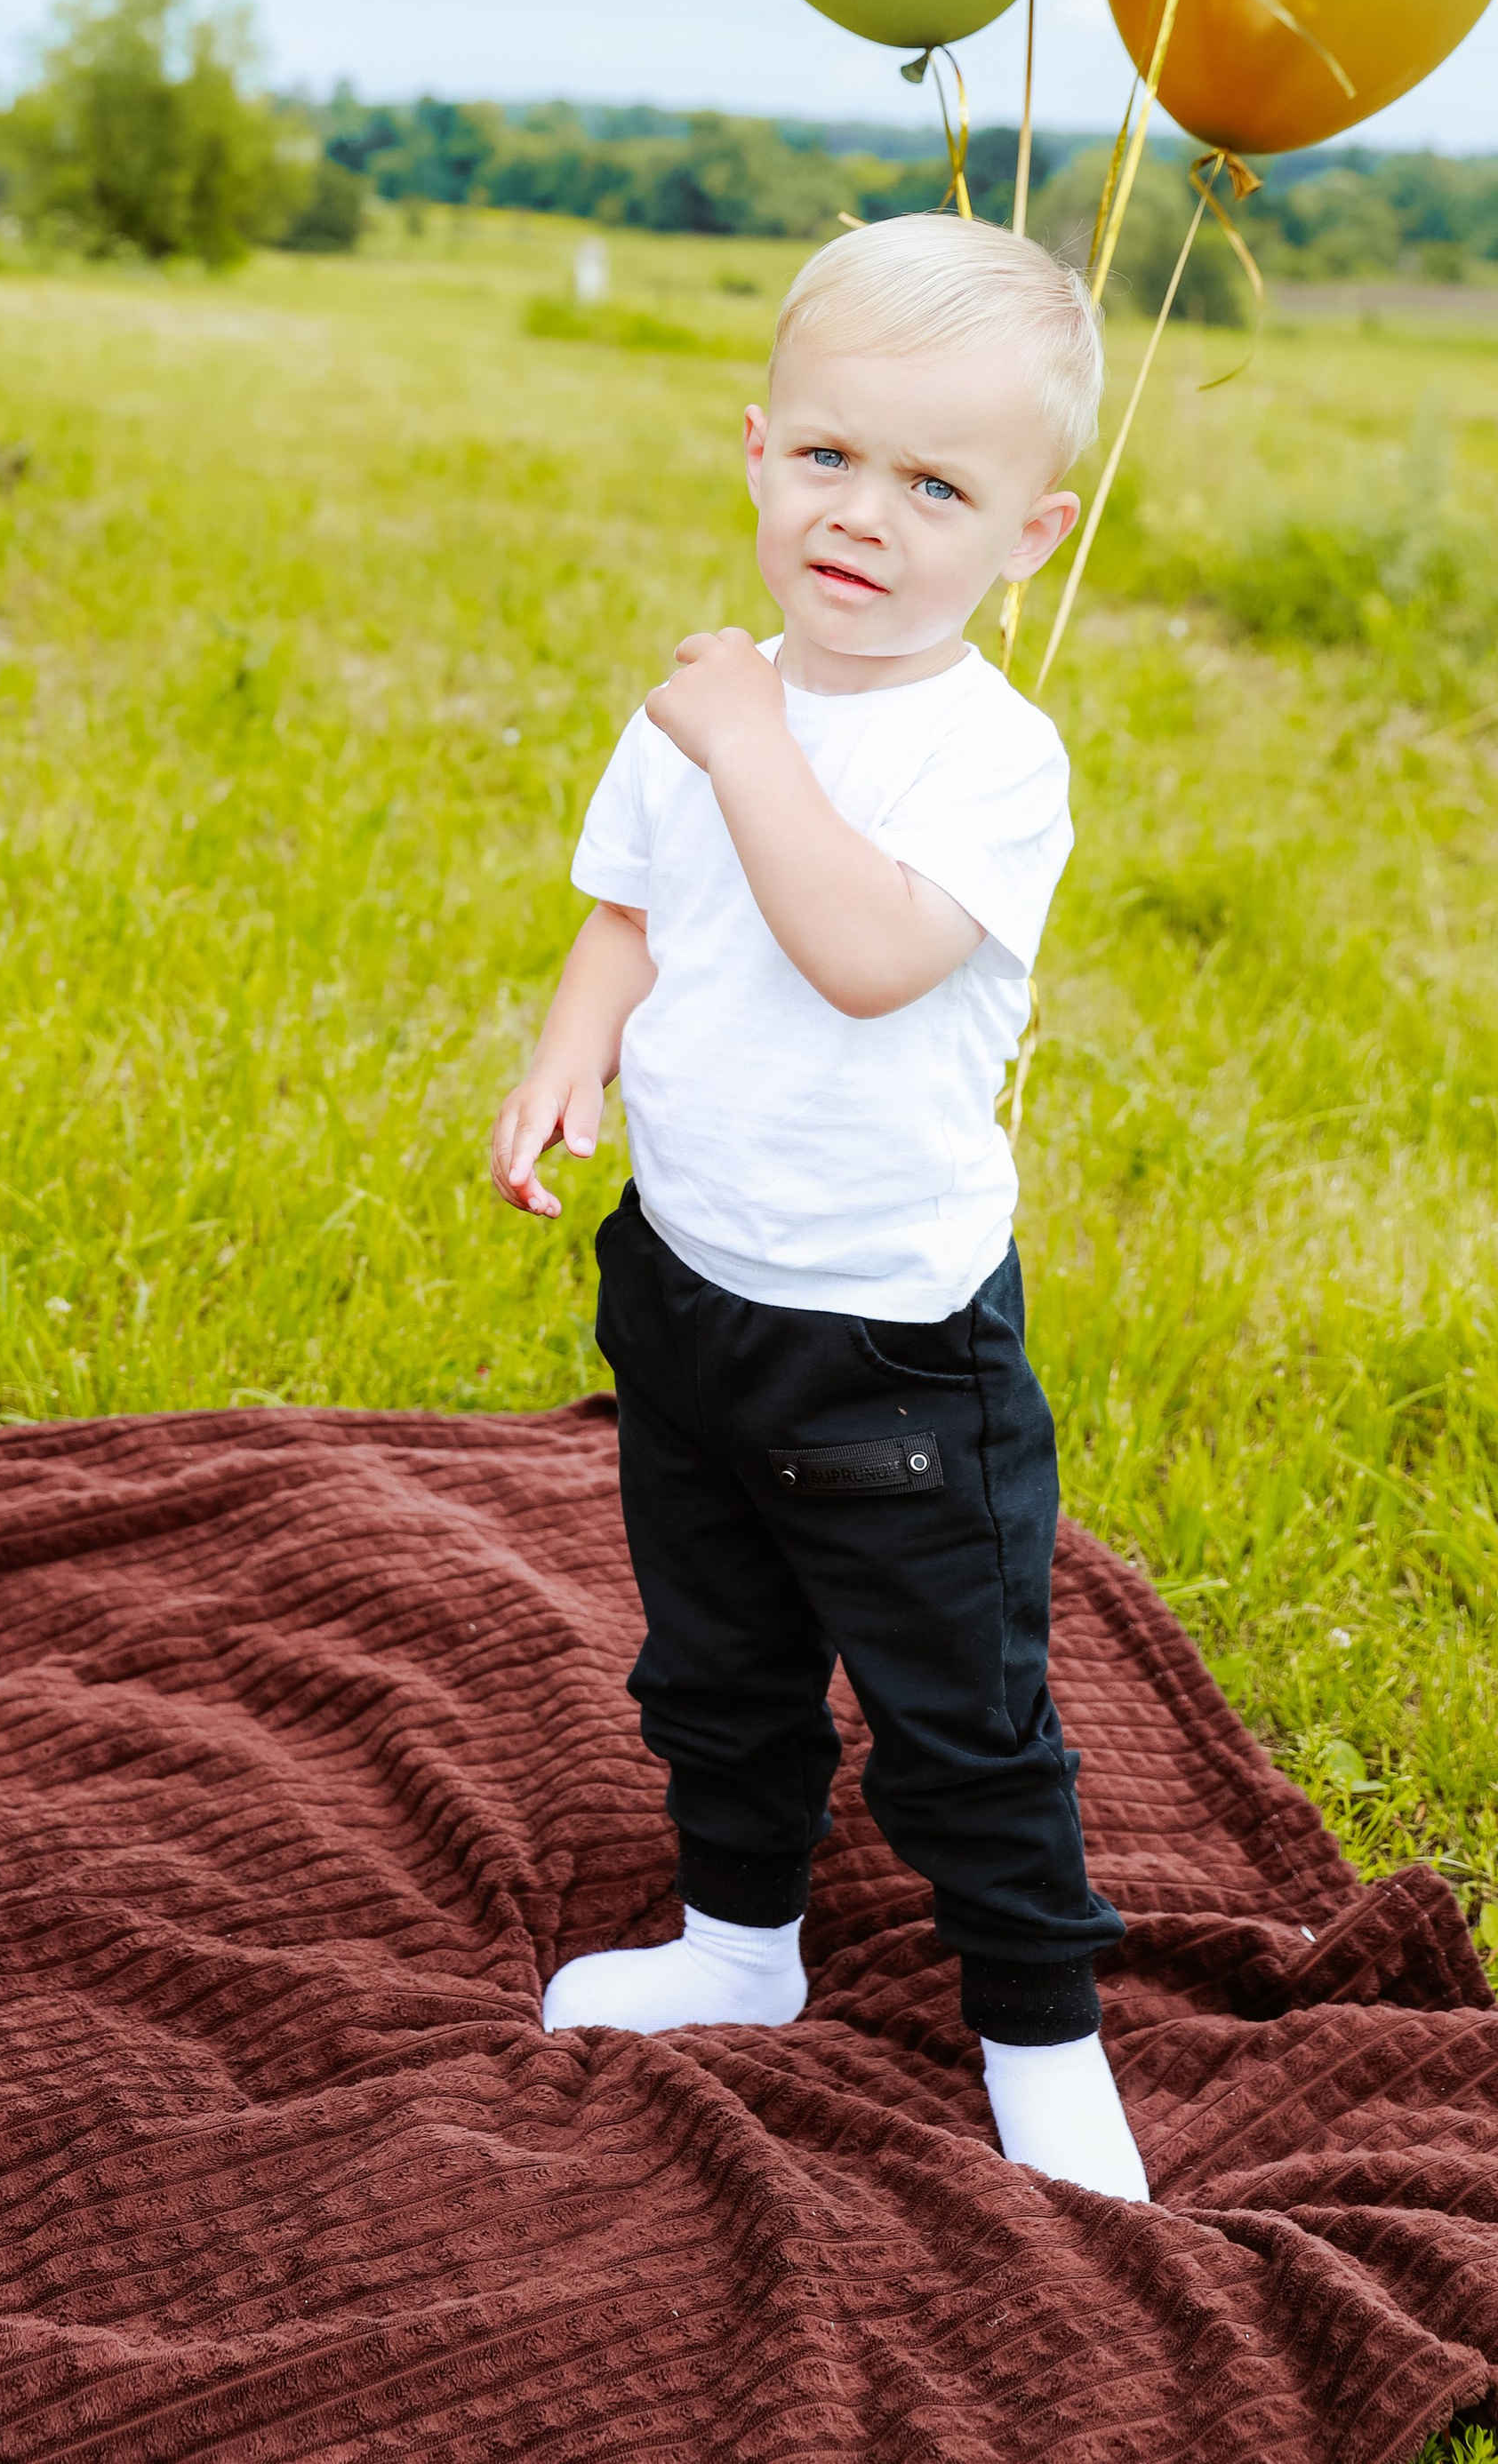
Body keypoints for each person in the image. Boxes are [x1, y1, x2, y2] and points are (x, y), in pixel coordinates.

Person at [491, 211, 1148, 2202]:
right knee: (712, 1659)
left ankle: (1040, 2038)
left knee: (957, 1710)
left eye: (934, 485)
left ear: (1024, 537)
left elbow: (864, 952)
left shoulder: (982, 758)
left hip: (884, 1340)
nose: (864, 516)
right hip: (687, 1284)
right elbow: (634, 903)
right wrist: (565, 1043)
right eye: (828, 458)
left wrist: (749, 736)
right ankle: (737, 1944)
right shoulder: (708, 706)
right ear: (755, 450)